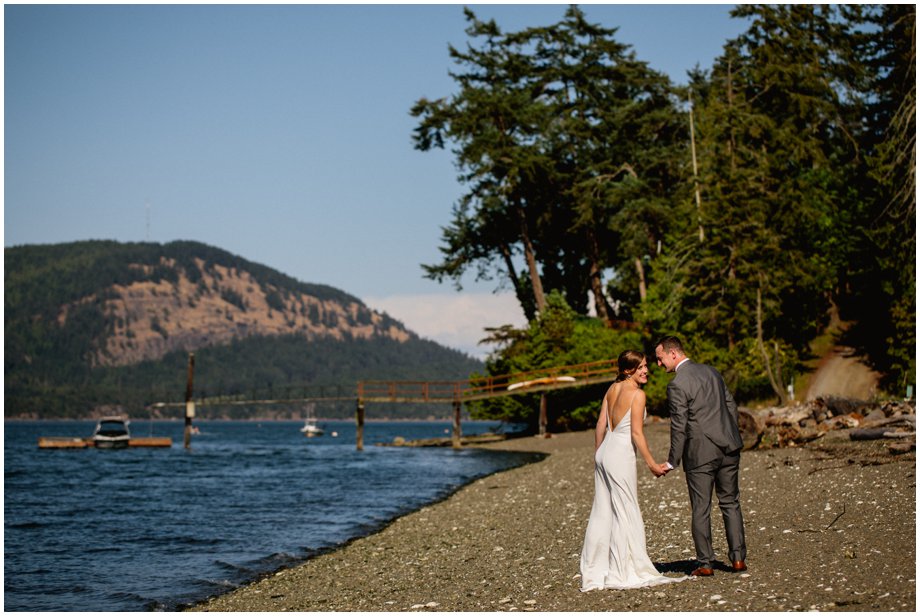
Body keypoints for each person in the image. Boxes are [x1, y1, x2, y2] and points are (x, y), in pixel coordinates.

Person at [579, 350, 688, 591]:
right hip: (619, 454)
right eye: (641, 367)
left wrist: (599, 454)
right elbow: (636, 433)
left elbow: (600, 424)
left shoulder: (611, 389)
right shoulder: (637, 395)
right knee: (626, 509)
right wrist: (651, 464)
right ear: (628, 371)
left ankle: (596, 569)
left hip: (605, 451)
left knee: (603, 510)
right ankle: (623, 570)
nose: (646, 370)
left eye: (646, 366)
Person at [654, 335, 747, 577]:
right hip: (729, 446)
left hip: (700, 453)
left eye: (660, 358)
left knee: (701, 508)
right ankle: (738, 559)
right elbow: (731, 405)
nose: (658, 364)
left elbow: (679, 425)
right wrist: (729, 432)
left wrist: (673, 460)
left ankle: (706, 562)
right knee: (731, 502)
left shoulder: (677, 384)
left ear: (673, 354)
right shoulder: (712, 371)